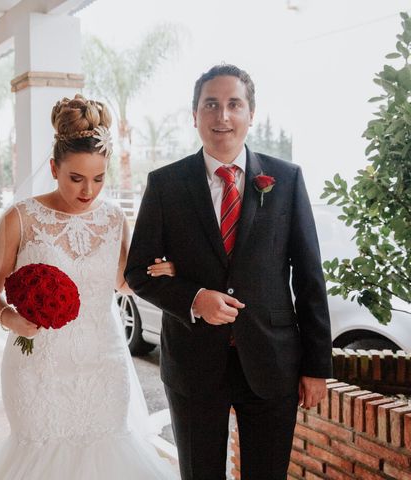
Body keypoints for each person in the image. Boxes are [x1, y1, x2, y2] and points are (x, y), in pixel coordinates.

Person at [0, 94, 178, 479]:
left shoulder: (115, 219)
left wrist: (159, 274)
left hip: (104, 362)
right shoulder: (21, 218)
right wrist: (12, 320)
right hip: (38, 365)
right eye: (76, 178)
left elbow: (121, 281)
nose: (88, 191)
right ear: (54, 168)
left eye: (99, 179)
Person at [125, 64, 333, 480]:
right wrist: (193, 298)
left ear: (250, 113)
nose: (222, 116)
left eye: (233, 104)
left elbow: (309, 276)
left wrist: (317, 366)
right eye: (211, 105)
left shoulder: (286, 180)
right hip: (193, 364)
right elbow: (138, 272)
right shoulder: (166, 185)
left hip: (273, 362)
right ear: (195, 114)